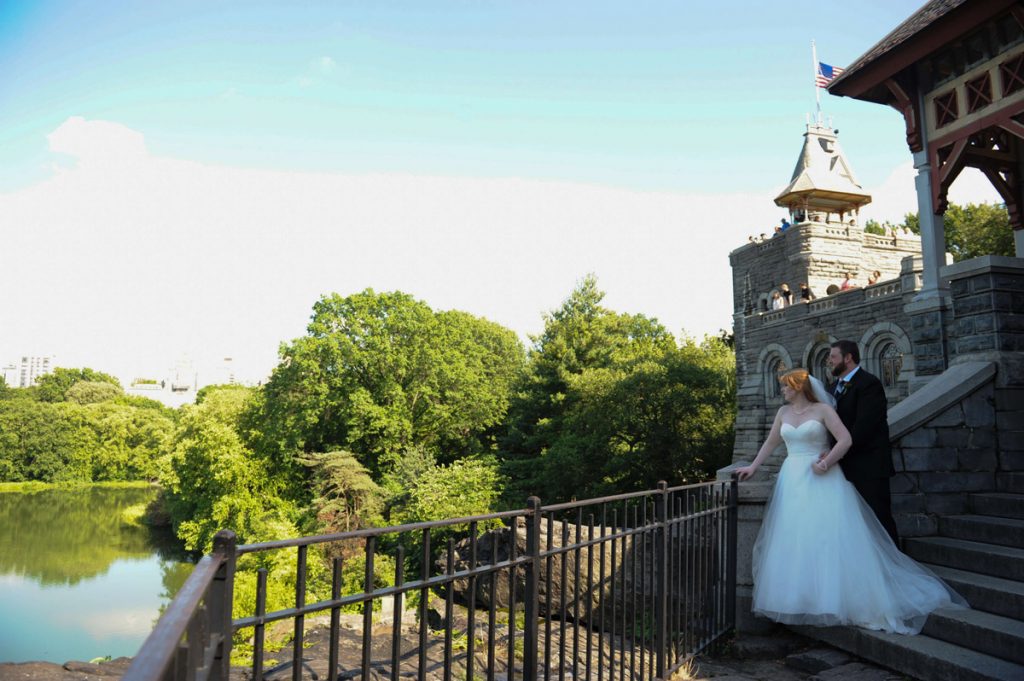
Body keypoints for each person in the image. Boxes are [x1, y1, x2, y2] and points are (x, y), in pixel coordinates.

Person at [736, 368, 965, 634]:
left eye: (786, 386)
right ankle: (804, 598)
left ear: (798, 387)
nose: (782, 391)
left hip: (822, 477)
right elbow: (771, 442)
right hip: (792, 479)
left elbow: (845, 439)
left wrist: (827, 462)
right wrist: (753, 466)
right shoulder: (782, 413)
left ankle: (837, 599)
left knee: (828, 537)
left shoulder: (823, 410)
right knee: (796, 538)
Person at [828, 340, 899, 544]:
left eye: (833, 357)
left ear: (848, 358)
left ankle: (893, 567)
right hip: (842, 469)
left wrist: (836, 453)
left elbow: (864, 427)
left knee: (879, 520)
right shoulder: (832, 388)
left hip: (869, 467)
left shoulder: (869, 384)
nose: (829, 362)